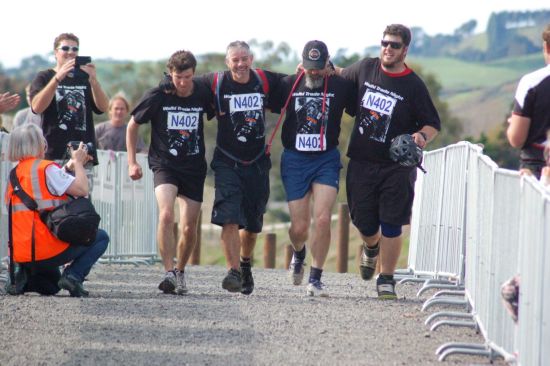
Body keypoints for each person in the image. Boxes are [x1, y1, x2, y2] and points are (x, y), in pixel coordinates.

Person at [335, 24, 441, 299]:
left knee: (393, 222)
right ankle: (371, 247)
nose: (388, 49)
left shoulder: (414, 85)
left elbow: (432, 123)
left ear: (405, 50)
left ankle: (387, 278)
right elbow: (339, 77)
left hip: (396, 166)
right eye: (384, 43)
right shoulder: (365, 68)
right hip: (361, 161)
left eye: (394, 45)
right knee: (365, 223)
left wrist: (420, 136)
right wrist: (315, 67)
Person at [196, 41, 283, 294]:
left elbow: (298, 82)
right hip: (226, 161)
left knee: (253, 224)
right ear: (227, 62)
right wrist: (167, 84)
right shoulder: (215, 82)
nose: (241, 64)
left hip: (257, 162)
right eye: (235, 60)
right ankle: (233, 271)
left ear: (252, 59)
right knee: (229, 217)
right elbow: (184, 83)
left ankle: (245, 264)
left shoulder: (264, 80)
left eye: (245, 58)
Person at [127, 50, 214, 295]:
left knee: (189, 226)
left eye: (187, 77)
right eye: (177, 77)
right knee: (166, 215)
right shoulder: (159, 95)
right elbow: (133, 125)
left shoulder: (203, 92)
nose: (183, 83)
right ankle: (168, 272)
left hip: (194, 168)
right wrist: (132, 162)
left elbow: (222, 91)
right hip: (165, 164)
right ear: (170, 74)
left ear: (193, 74)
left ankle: (181, 272)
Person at [274, 40, 356, 296]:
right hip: (295, 159)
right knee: (299, 228)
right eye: (310, 67)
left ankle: (316, 277)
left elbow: (360, 98)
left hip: (326, 159)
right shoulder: (289, 84)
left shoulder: (340, 86)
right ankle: (298, 253)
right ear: (302, 64)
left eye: (319, 68)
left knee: (322, 219)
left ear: (327, 63)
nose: (314, 72)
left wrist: (338, 70)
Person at [4, 123, 109, 297]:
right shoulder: (46, 167)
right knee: (100, 237)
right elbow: (82, 190)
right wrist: (79, 163)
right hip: (48, 248)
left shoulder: (14, 174)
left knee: (52, 286)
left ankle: (22, 277)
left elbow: (41, 187)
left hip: (21, 254)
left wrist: (66, 168)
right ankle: (73, 276)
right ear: (38, 144)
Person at [29, 33, 109, 189]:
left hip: (82, 155)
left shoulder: (84, 78)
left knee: (81, 202)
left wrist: (93, 80)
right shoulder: (44, 77)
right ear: (55, 52)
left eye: (75, 49)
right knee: (54, 202)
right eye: (65, 48)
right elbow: (36, 107)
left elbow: (103, 107)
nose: (71, 52)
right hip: (53, 154)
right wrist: (57, 78)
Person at [506, 24, 550, 179]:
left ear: (546, 47)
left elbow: (517, 138)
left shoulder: (531, 82)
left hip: (536, 172)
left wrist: (513, 124)